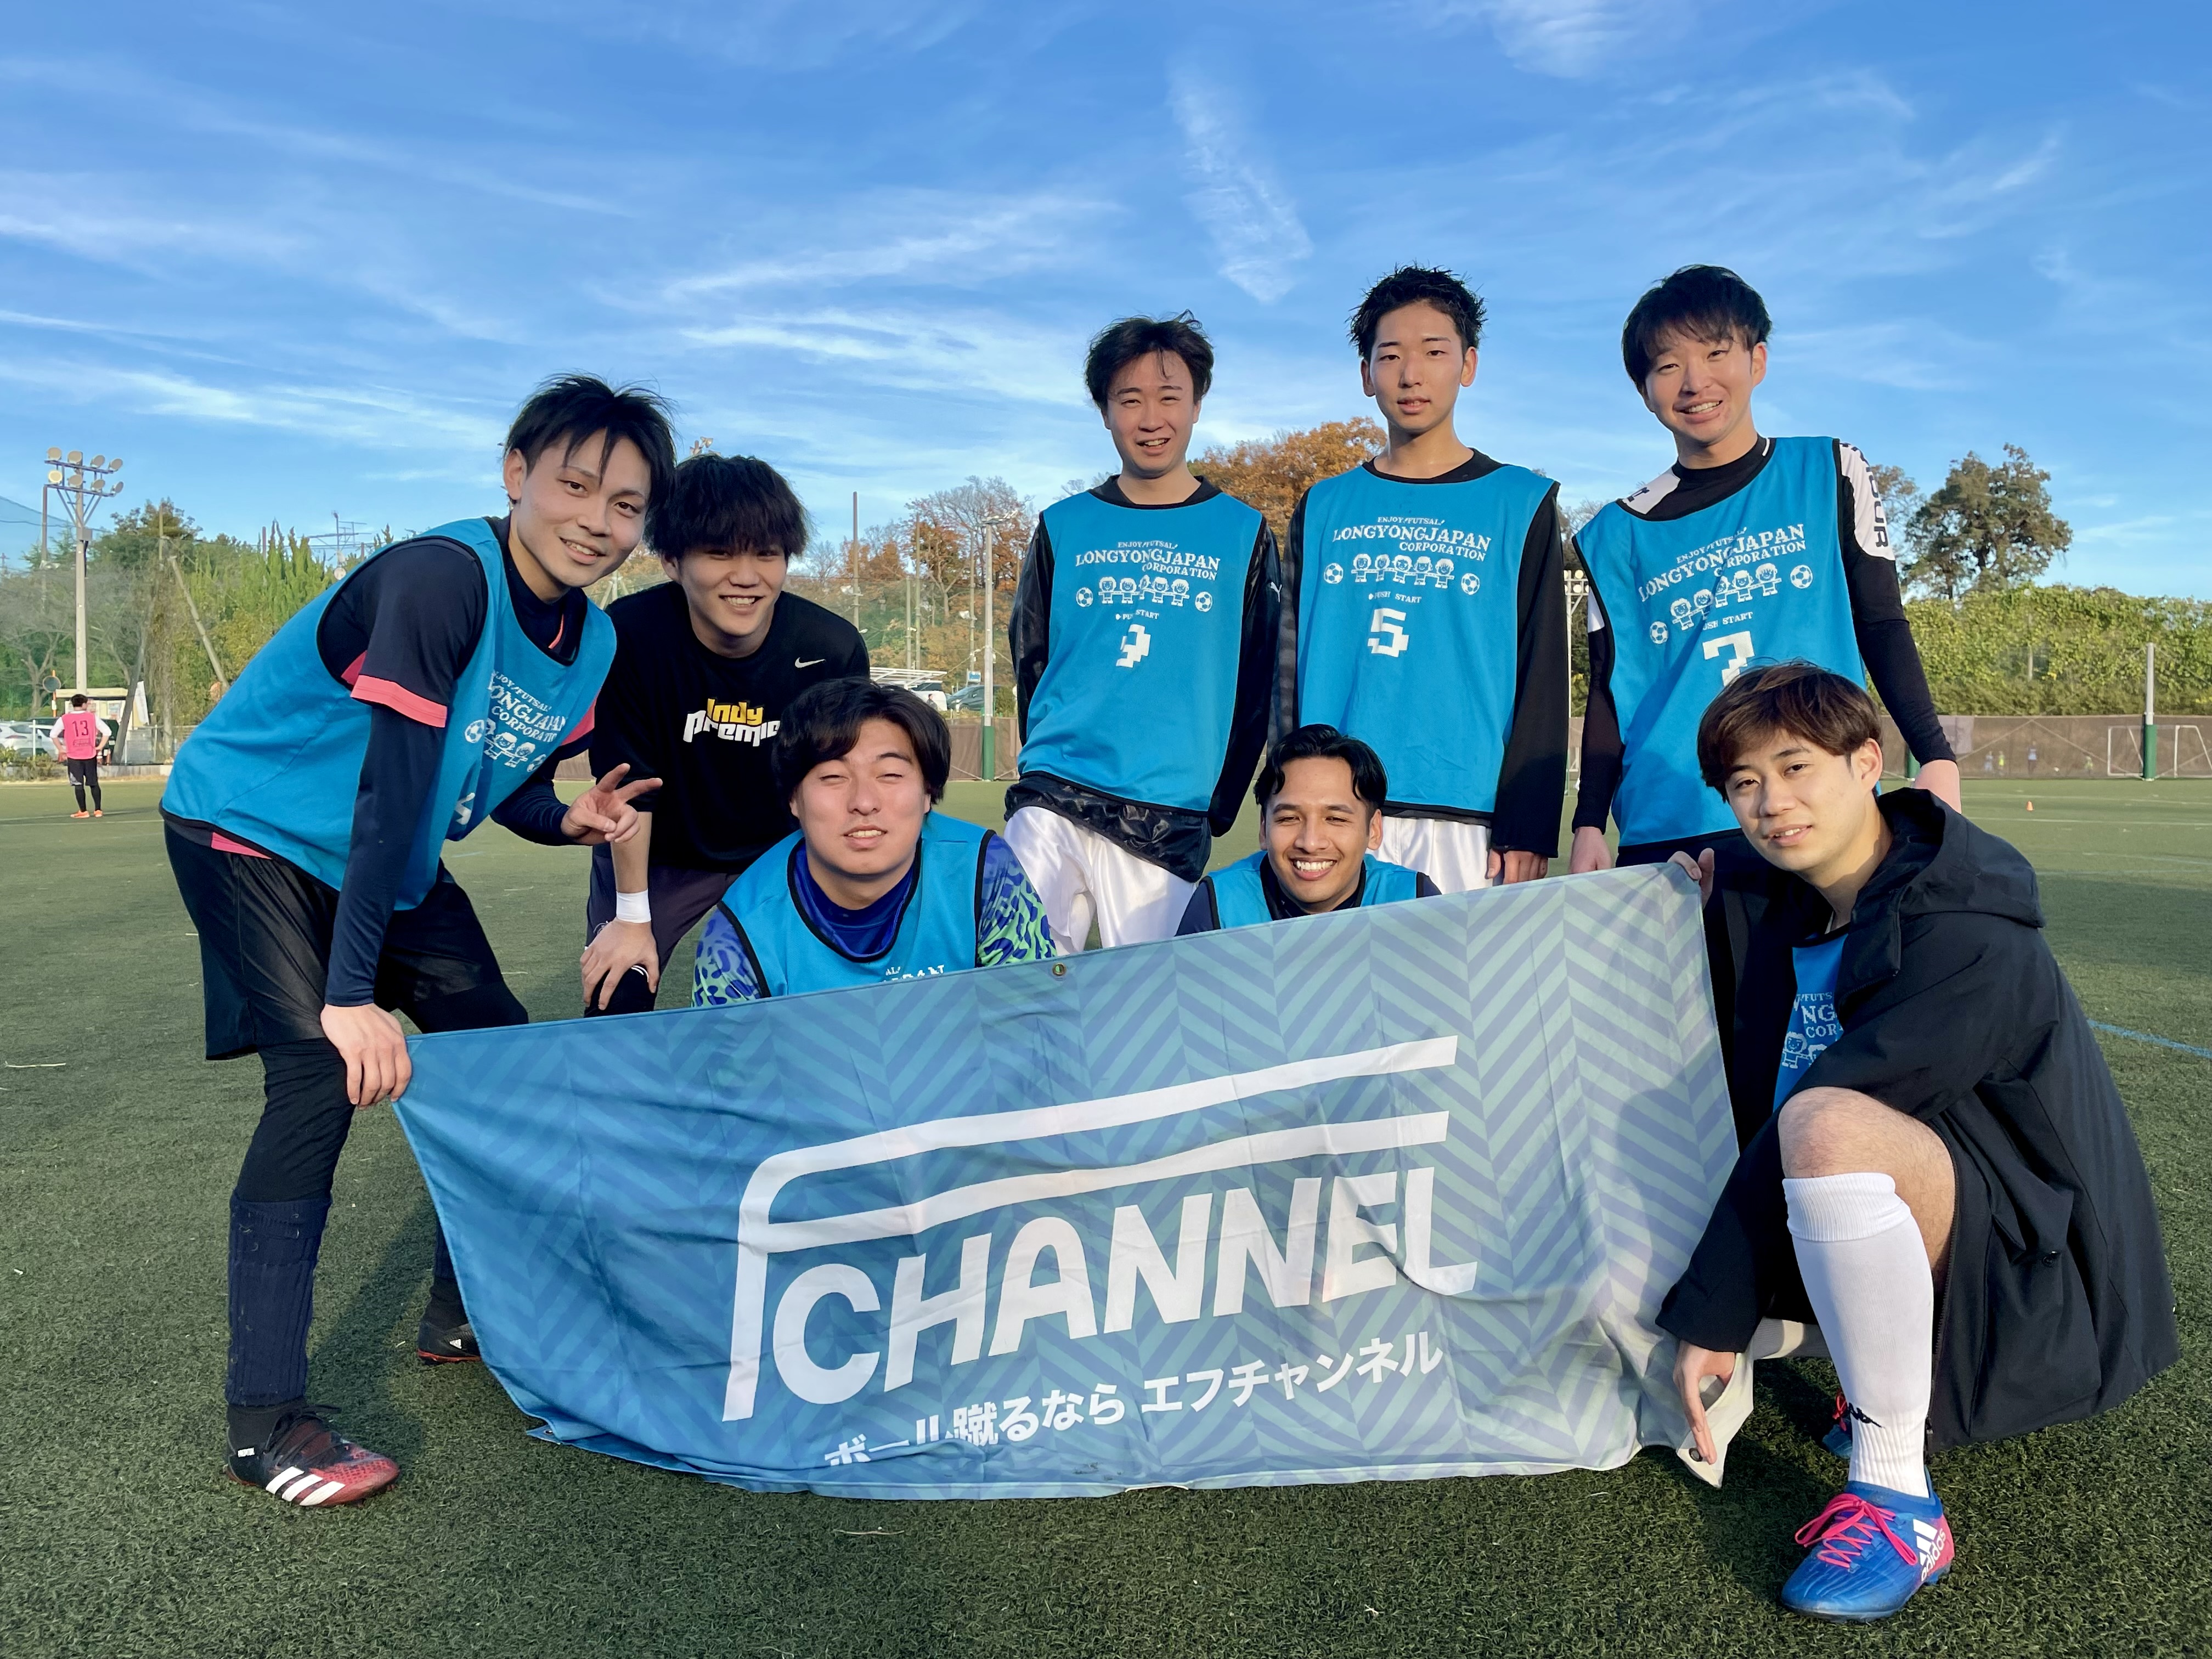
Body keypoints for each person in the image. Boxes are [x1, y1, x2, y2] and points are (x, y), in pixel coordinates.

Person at [160, 375, 675, 1506]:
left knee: (497, 1052)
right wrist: (349, 997)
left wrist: (565, 818)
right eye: (575, 485)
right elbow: (390, 793)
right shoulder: (444, 577)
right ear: (516, 474)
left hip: (383, 857)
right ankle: (264, 1422)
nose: (597, 520)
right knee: (318, 1075)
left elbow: (496, 776)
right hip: (251, 828)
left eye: (627, 505)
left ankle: (463, 1312)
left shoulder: (590, 638)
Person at [1661, 663, 2175, 1623]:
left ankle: (1898, 1497)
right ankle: (1876, 1383)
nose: (1771, 804)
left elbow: (1831, 1113)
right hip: (1937, 1222)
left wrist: (1714, 1312)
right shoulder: (1781, 897)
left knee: (1826, 1123)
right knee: (1784, 1137)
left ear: (1868, 762)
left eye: (1796, 768)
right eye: (1742, 783)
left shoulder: (1966, 925)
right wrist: (1674, 899)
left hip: (2040, 1274)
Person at [1570, 267, 1962, 1083]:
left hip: (1818, 812)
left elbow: (1881, 620)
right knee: (1691, 1081)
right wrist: (1588, 823)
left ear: (1757, 360)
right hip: (1675, 826)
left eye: (1716, 353)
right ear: (1643, 390)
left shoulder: (1827, 469)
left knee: (1843, 1063)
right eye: (1667, 365)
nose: (1694, 382)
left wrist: (1935, 753)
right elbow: (1609, 689)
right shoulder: (1612, 533)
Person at [1276, 267, 1566, 893]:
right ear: (1366, 374)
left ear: (1468, 365)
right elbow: (1287, 663)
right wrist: (1284, 795)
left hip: (1467, 817)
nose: (1411, 374)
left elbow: (1543, 668)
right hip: (1337, 812)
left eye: (1434, 352)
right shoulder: (1324, 506)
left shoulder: (1521, 502)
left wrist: (1529, 824)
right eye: (1391, 356)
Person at [1007, 313, 1279, 952]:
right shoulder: (1063, 525)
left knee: (1155, 1000)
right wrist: (1042, 755)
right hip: (1054, 790)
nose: (1151, 418)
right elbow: (1031, 659)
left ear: (1197, 405)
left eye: (1169, 397)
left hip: (1170, 809)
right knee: (1015, 977)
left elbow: (1257, 677)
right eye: (1129, 400)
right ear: (1105, 411)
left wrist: (1220, 802)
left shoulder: (1242, 531)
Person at [579, 452, 866, 1015]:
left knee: (821, 1005)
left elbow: (837, 778)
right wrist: (632, 918)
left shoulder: (831, 647)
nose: (746, 576)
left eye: (767, 553)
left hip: (784, 850)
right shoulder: (626, 636)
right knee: (617, 996)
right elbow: (632, 788)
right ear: (672, 561)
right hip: (662, 854)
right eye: (719, 553)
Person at [693, 679, 1052, 1002]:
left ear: (927, 792)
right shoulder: (741, 930)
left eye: (890, 774)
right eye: (833, 776)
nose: (864, 802)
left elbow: (1037, 1016)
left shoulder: (985, 870)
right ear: (794, 799)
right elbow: (728, 1055)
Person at [1177, 724, 1436, 933]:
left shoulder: (1415, 901)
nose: (1310, 843)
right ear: (1264, 828)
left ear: (1374, 829)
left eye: (1335, 819)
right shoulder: (1219, 905)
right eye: (1290, 818)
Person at [53, 693, 112, 817]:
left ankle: (83, 811)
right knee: (94, 783)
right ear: (84, 704)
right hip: (90, 755)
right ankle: (98, 810)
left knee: (78, 784)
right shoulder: (92, 717)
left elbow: (53, 735)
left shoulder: (65, 718)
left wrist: (61, 749)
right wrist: (100, 747)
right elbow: (107, 732)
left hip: (74, 756)